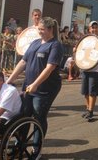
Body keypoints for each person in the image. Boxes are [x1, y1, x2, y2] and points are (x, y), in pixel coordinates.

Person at [6, 17, 63, 156]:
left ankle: (37, 148)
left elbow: (49, 68)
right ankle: (21, 143)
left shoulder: (55, 45)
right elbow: (23, 62)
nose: (40, 32)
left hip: (46, 88)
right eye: (39, 29)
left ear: (50, 30)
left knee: (38, 116)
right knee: (24, 114)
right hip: (29, 86)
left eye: (42, 29)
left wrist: (36, 84)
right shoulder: (35, 43)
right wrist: (10, 80)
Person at [80, 21, 98, 121]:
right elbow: (81, 51)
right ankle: (88, 108)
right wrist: (76, 50)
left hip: (96, 69)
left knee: (92, 91)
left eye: (96, 27)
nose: (94, 29)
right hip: (86, 67)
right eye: (92, 28)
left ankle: (91, 111)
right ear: (89, 29)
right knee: (85, 91)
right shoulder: (86, 39)